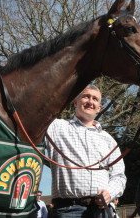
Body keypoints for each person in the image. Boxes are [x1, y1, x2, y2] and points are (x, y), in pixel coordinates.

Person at [46, 84, 127, 218]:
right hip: (68, 210)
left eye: (95, 99)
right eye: (86, 97)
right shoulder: (55, 127)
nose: (90, 101)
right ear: (75, 102)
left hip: (102, 211)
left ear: (99, 108)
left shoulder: (109, 140)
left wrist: (109, 193)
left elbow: (119, 176)